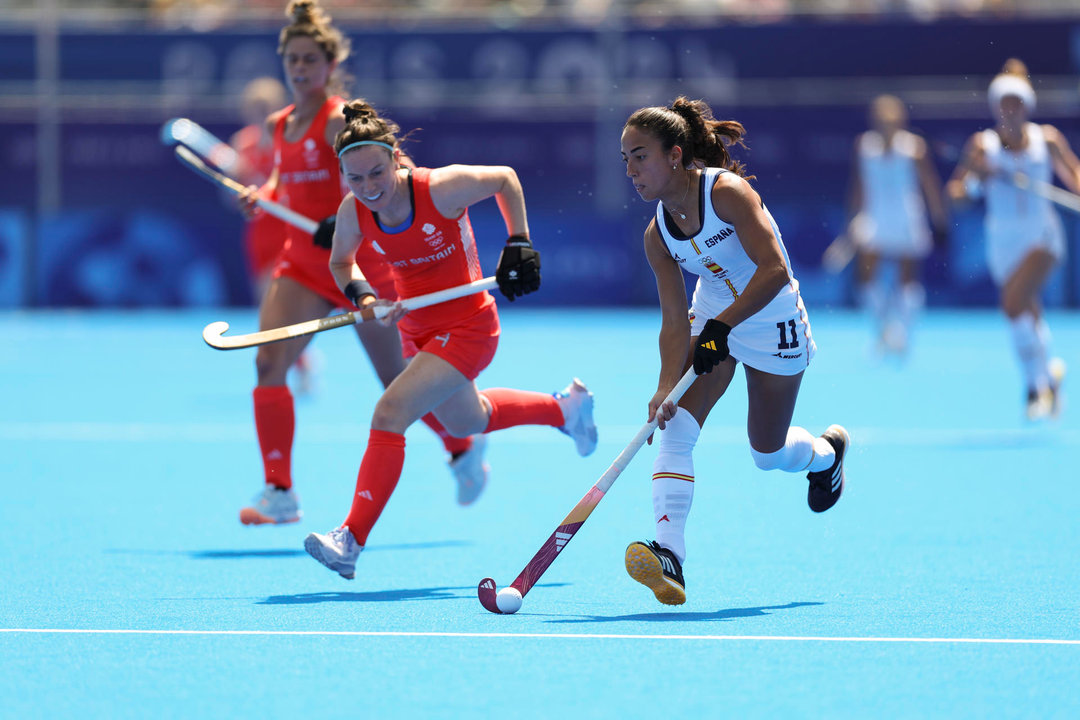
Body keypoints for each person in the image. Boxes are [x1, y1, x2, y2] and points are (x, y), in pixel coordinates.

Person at [302, 99, 599, 579]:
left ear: (396, 158)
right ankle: (565, 410)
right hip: (416, 329)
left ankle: (350, 539)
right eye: (355, 179)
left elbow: (506, 177)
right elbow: (342, 262)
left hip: (468, 327)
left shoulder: (439, 189)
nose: (369, 188)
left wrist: (518, 241)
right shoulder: (355, 211)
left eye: (376, 173)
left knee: (389, 412)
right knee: (466, 422)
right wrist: (364, 298)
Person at [236, 0, 491, 528]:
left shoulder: (341, 121)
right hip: (302, 267)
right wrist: (264, 194)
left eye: (310, 60)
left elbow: (395, 179)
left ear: (330, 65)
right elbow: (290, 184)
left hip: (362, 271)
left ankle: (463, 449)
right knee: (267, 365)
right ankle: (280, 490)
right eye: (293, 61)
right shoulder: (279, 125)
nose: (301, 69)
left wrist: (341, 220)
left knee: (395, 383)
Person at [618, 97, 850, 606]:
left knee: (766, 454)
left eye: (640, 156)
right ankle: (669, 554)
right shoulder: (658, 235)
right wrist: (663, 386)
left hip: (772, 318)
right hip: (714, 315)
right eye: (625, 160)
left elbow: (774, 271)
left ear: (674, 155)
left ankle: (826, 454)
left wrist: (722, 327)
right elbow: (674, 320)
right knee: (675, 426)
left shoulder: (727, 194)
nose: (631, 170)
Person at [946, 58, 1076, 420]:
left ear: (1027, 107)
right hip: (1003, 243)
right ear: (996, 107)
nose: (1010, 110)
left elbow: (1074, 175)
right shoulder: (982, 147)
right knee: (1027, 312)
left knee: (1013, 302)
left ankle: (1036, 389)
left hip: (1043, 237)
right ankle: (1050, 374)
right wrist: (977, 177)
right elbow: (958, 194)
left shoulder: (1046, 139)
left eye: (1016, 104)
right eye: (1005, 104)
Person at [846, 94, 948, 356]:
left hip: (907, 218)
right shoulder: (863, 146)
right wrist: (852, 220)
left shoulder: (914, 147)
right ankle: (882, 332)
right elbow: (857, 187)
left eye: (891, 119)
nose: (886, 124)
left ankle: (903, 334)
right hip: (874, 217)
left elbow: (929, 185)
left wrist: (939, 219)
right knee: (866, 278)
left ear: (900, 120)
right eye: (882, 119)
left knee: (907, 281)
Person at [230, 76, 289, 300]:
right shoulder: (241, 143)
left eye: (267, 107)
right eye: (256, 107)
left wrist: (270, 191)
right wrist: (236, 182)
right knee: (264, 298)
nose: (262, 113)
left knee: (290, 295)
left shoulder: (290, 140)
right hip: (259, 231)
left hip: (290, 227)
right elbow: (230, 201)